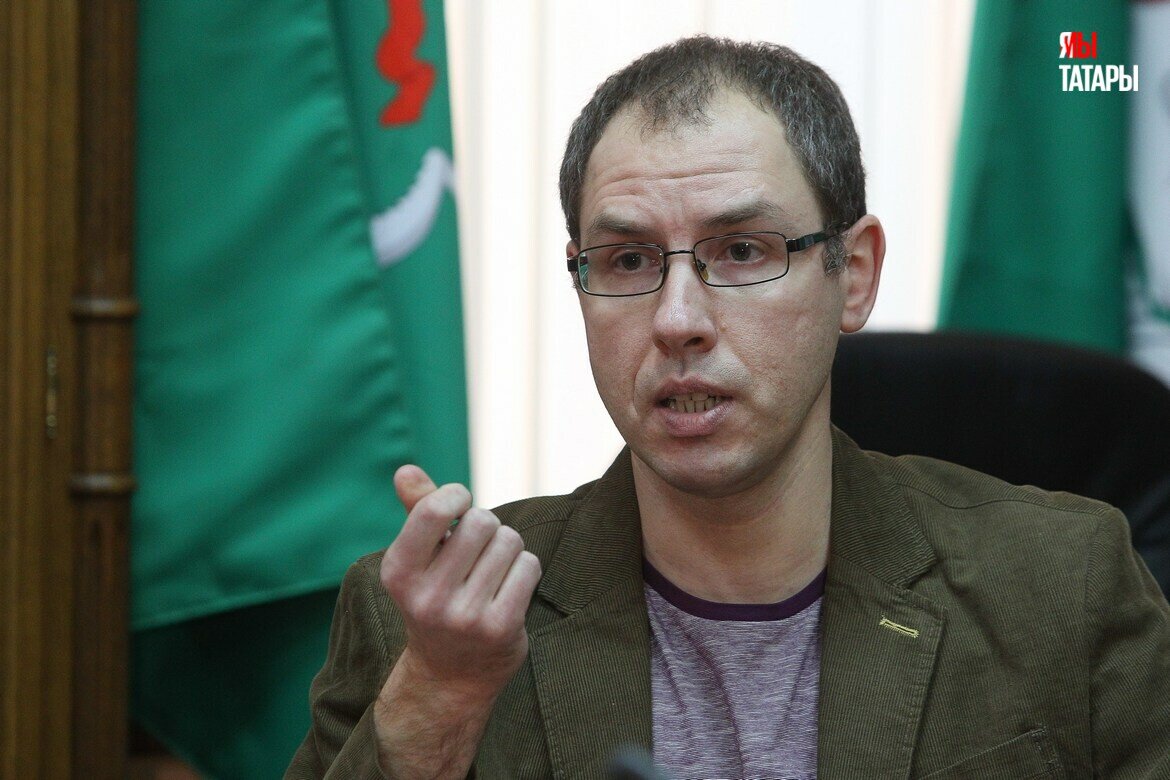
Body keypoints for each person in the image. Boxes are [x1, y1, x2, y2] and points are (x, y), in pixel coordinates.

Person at [287, 37, 1170, 778]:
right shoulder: (424, 628)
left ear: (854, 275)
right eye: (628, 261)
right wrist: (440, 697)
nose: (677, 321)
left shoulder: (1065, 587)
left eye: (743, 250)